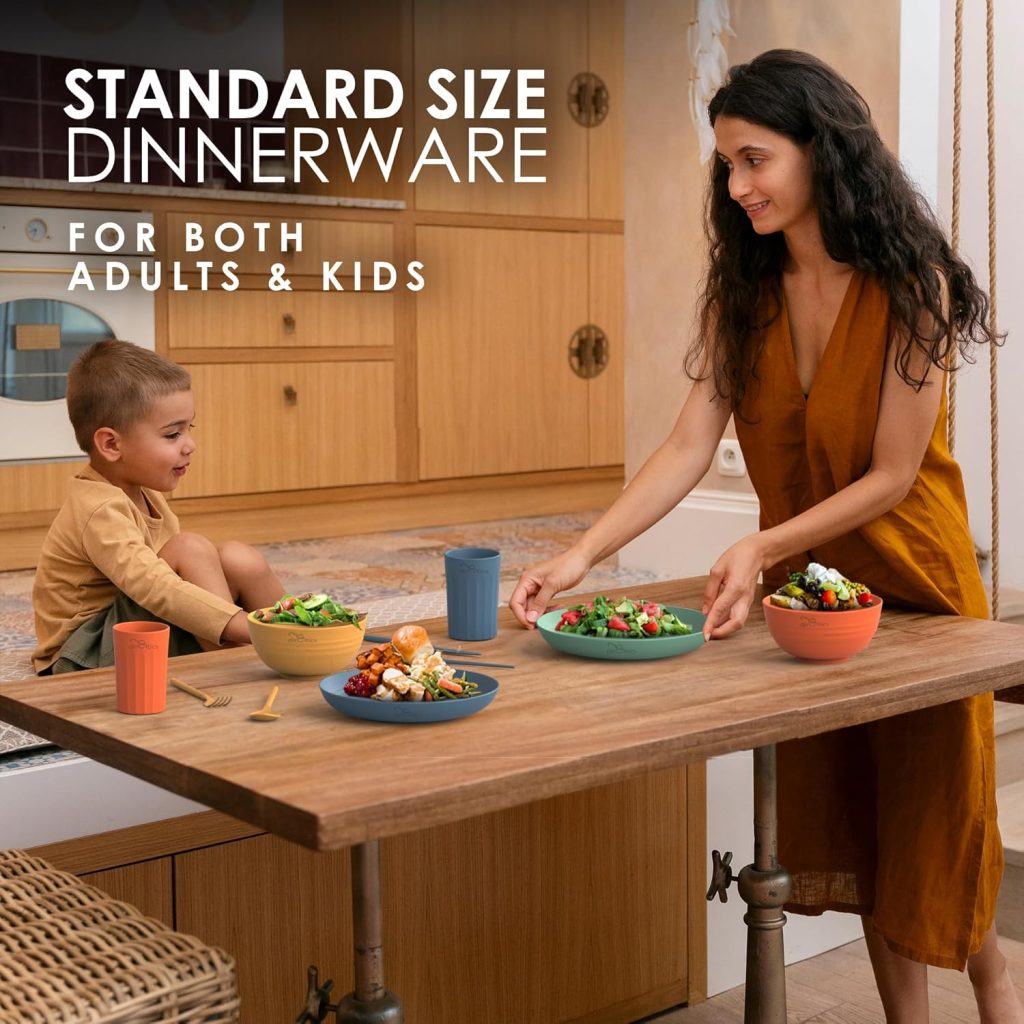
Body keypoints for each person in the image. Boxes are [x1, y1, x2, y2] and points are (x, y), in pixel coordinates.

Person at [510, 50, 1021, 1023]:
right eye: (726, 167)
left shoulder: (912, 284)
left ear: (820, 151)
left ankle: (996, 996)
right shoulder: (744, 293)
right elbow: (687, 444)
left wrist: (757, 541)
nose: (737, 186)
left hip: (920, 593)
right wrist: (582, 556)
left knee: (938, 837)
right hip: (812, 608)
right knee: (859, 836)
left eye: (754, 160)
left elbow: (893, 476)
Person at [32, 340, 284, 675]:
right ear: (111, 444)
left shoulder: (144, 492)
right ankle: (242, 661)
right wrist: (245, 625)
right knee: (189, 547)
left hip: (132, 629)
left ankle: (304, 634)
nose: (189, 445)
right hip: (84, 653)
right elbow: (155, 587)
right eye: (172, 435)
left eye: (188, 429)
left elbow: (179, 581)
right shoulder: (98, 507)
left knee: (239, 558)